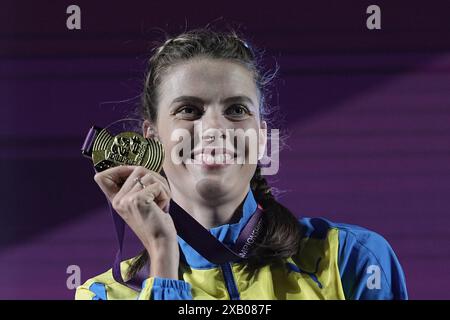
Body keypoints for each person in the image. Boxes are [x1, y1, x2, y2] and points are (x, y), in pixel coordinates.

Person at [75, 27, 408, 300]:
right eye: (189, 110)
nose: (215, 128)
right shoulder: (105, 294)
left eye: (236, 110)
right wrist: (162, 256)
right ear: (152, 137)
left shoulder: (350, 258)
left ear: (261, 137)